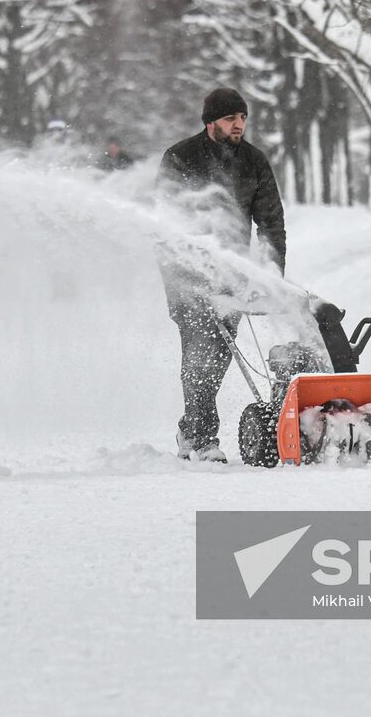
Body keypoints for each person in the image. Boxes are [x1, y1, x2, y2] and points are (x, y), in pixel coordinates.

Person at [155, 87, 286, 462]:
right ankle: (204, 441)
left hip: (232, 273)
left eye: (243, 118)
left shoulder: (254, 161)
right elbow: (167, 218)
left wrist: (272, 272)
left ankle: (189, 429)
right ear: (211, 121)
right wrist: (193, 259)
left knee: (220, 355)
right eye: (231, 119)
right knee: (200, 351)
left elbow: (271, 223)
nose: (239, 125)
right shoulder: (181, 157)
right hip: (184, 273)